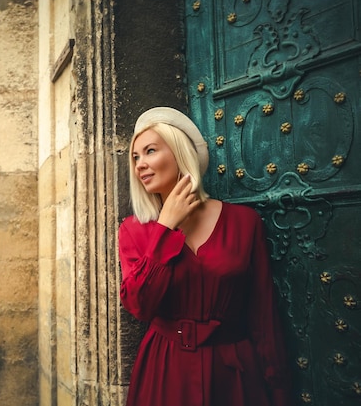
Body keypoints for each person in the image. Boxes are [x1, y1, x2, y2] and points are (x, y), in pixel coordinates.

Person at [118, 107, 292, 406]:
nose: (140, 165)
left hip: (234, 372)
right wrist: (165, 228)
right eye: (135, 157)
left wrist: (278, 387)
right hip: (165, 371)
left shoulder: (244, 222)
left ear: (180, 153)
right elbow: (140, 306)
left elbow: (262, 313)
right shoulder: (133, 230)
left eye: (150, 151)